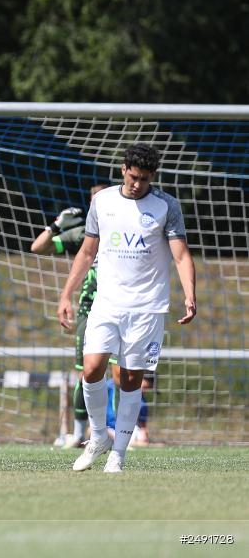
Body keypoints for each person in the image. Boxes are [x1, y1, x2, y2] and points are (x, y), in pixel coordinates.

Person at [57, 143, 196, 473]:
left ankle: (118, 452)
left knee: (131, 380)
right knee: (91, 368)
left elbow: (181, 255)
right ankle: (97, 438)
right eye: (133, 177)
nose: (137, 184)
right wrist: (65, 294)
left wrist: (190, 295)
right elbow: (87, 252)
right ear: (123, 170)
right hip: (107, 304)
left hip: (147, 308)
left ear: (153, 176)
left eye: (144, 179)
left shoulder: (166, 206)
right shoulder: (102, 202)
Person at [31, 182, 120, 448]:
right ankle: (80, 434)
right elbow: (38, 247)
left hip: (122, 308)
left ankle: (124, 432)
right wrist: (56, 225)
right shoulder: (83, 233)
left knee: (121, 373)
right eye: (95, 200)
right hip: (89, 310)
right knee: (86, 373)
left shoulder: (124, 228)